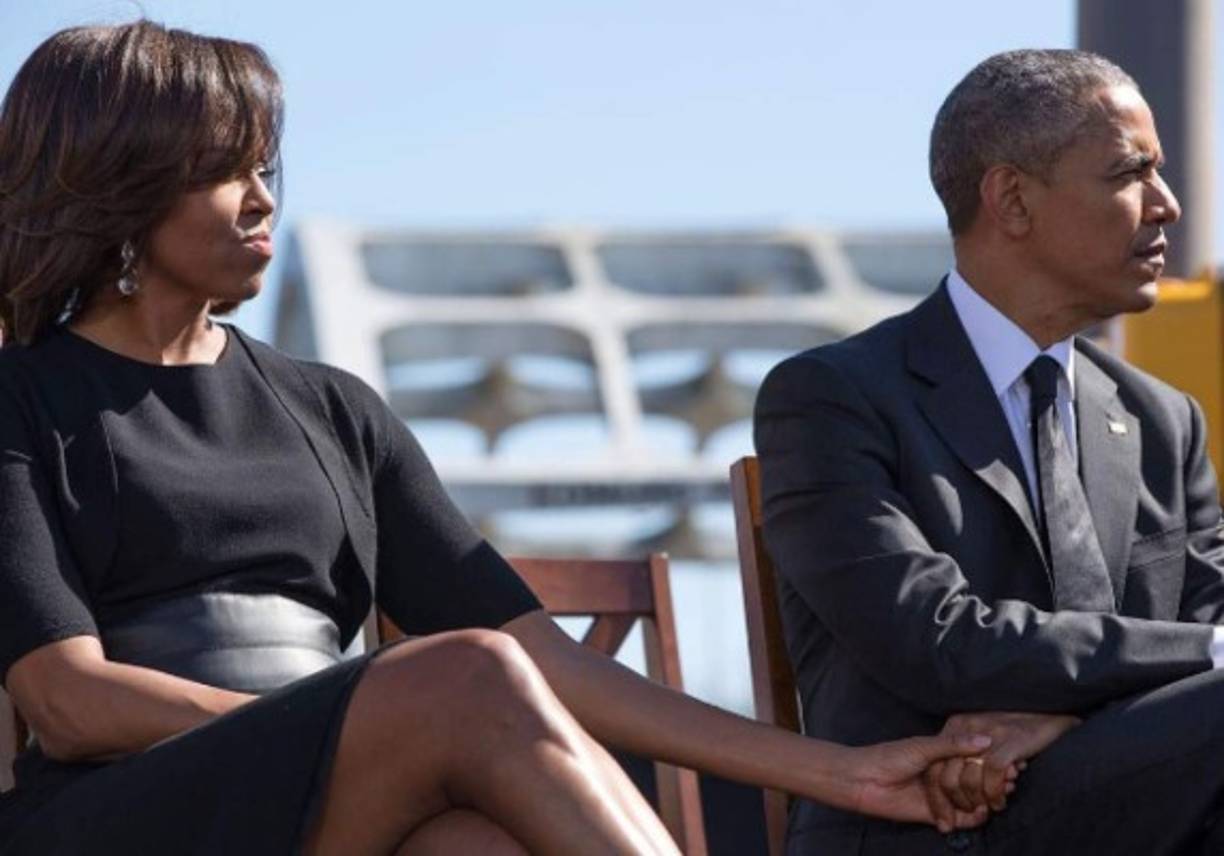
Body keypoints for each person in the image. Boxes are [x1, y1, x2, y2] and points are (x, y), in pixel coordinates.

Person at [0, 21, 1000, 855]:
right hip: (123, 810)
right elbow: (71, 701)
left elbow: (543, 663)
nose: (263, 199)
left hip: (331, 799)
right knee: (458, 677)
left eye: (267, 164)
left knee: (485, 841)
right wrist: (353, 719)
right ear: (117, 185)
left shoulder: (332, 407)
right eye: (224, 169)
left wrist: (846, 774)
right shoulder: (19, 399)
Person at [755, 47, 1224, 855]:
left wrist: (1059, 719)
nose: (1167, 206)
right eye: (1128, 173)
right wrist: (1208, 652)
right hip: (936, 826)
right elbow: (937, 643)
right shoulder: (831, 398)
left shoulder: (1161, 420)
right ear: (1011, 199)